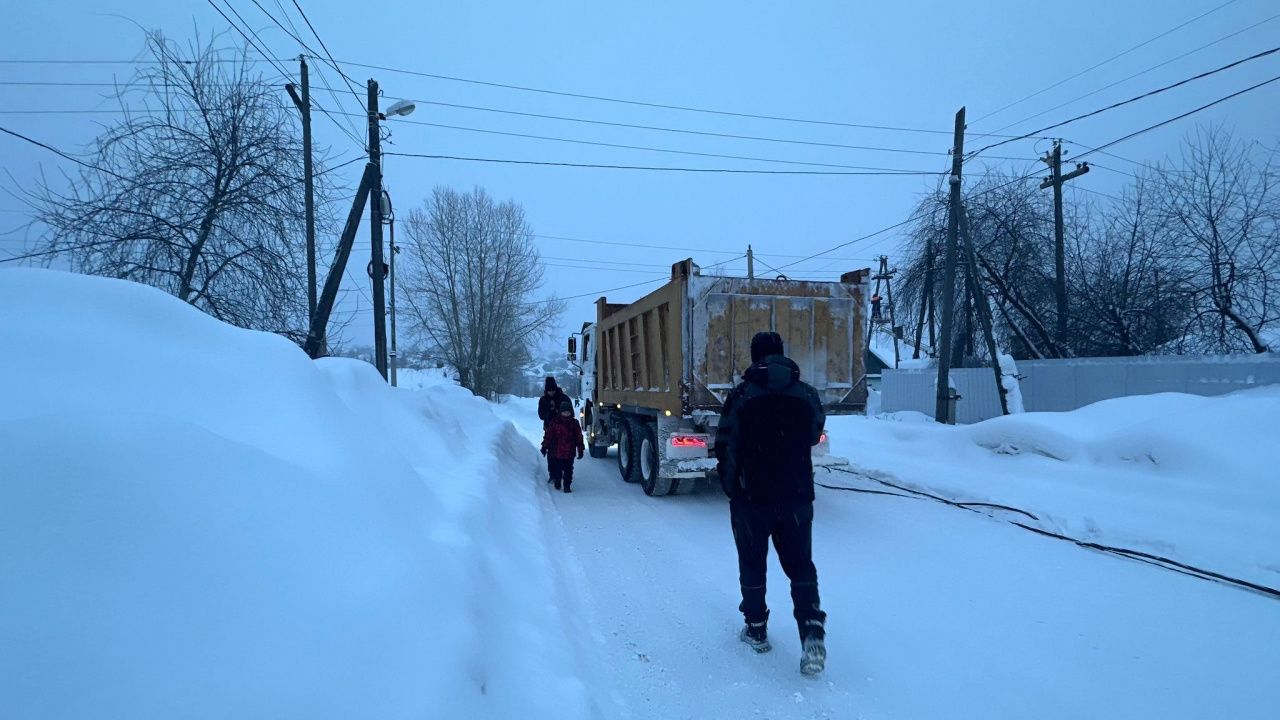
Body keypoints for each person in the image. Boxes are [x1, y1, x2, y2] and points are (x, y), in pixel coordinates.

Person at [715, 331, 828, 676]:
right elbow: (813, 434)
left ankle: (756, 629)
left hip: (753, 499)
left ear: (755, 357)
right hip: (796, 498)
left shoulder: (741, 395)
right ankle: (811, 633)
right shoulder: (806, 394)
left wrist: (733, 487)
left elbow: (725, 446)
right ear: (781, 354)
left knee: (753, 563)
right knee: (801, 567)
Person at [542, 399, 585, 493]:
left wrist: (580, 449)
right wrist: (544, 446)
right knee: (558, 469)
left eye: (568, 412)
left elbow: (579, 437)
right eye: (564, 412)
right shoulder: (555, 422)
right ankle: (557, 481)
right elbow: (548, 435)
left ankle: (567, 486)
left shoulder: (574, 423)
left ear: (571, 412)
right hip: (557, 452)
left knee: (568, 470)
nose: (566, 414)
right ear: (560, 412)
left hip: (570, 452)